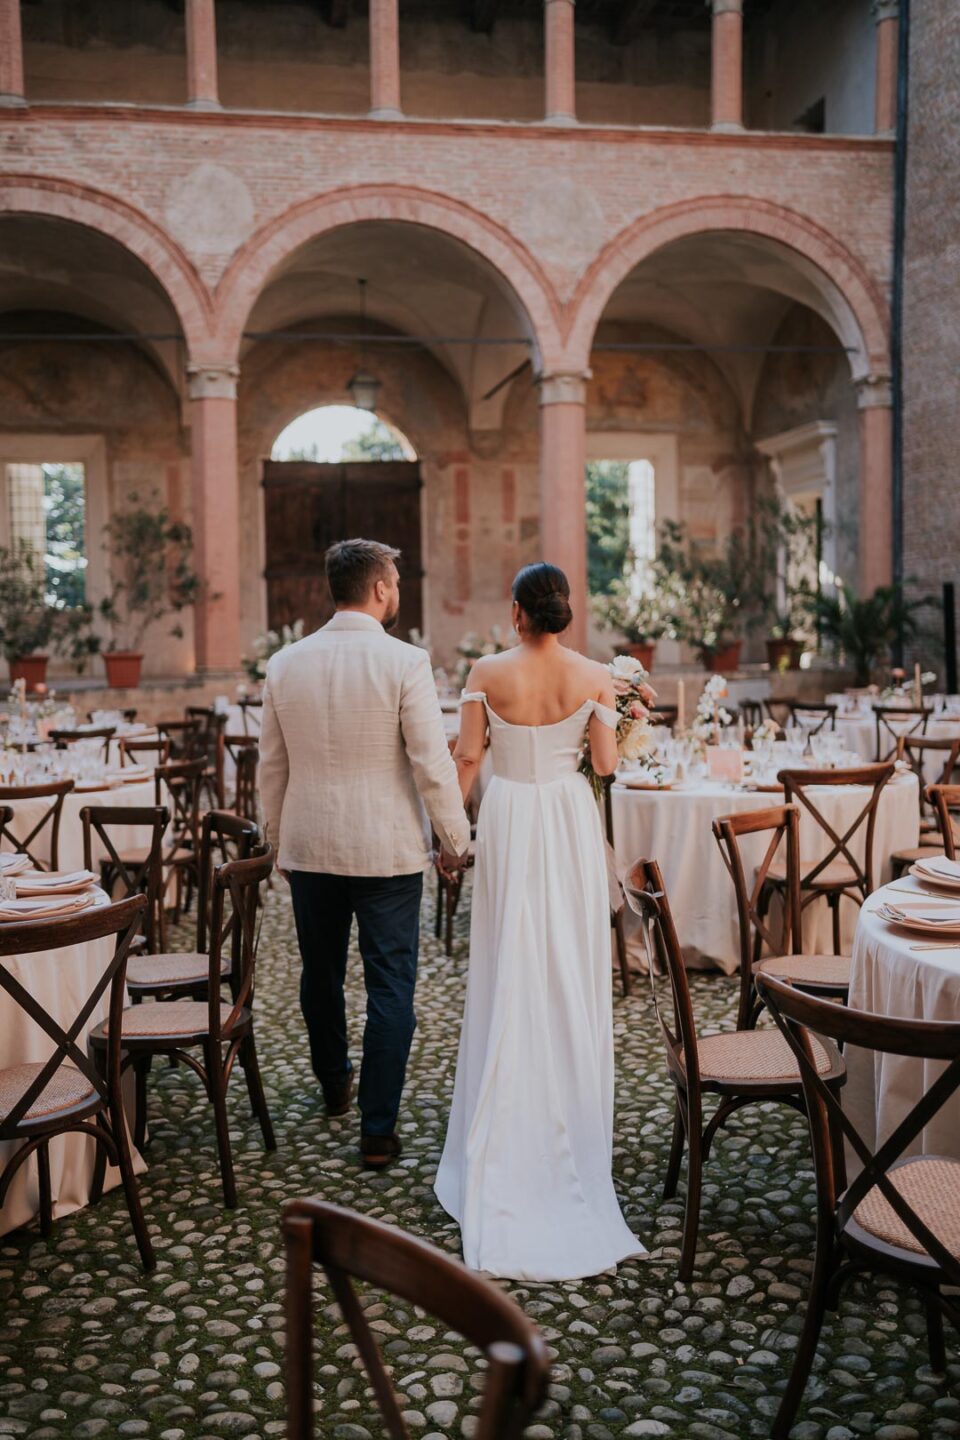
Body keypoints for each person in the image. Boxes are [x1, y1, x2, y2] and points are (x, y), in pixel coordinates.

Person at [434, 561, 645, 1280]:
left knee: (507, 958)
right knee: (566, 960)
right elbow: (607, 765)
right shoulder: (594, 676)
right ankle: (566, 1108)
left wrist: (449, 840)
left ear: (519, 610)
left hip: (512, 816)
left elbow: (466, 760)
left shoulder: (486, 672)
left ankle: (506, 1120)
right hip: (566, 817)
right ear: (566, 613)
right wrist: (612, 723)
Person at [259, 538, 471, 1169]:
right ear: (380, 589)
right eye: (396, 585)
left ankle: (333, 1082)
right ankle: (378, 1128)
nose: (397, 595)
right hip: (386, 853)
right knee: (391, 987)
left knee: (319, 975)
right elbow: (431, 765)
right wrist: (456, 841)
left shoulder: (284, 663)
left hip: (311, 845)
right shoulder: (406, 662)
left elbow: (272, 767)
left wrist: (275, 842)